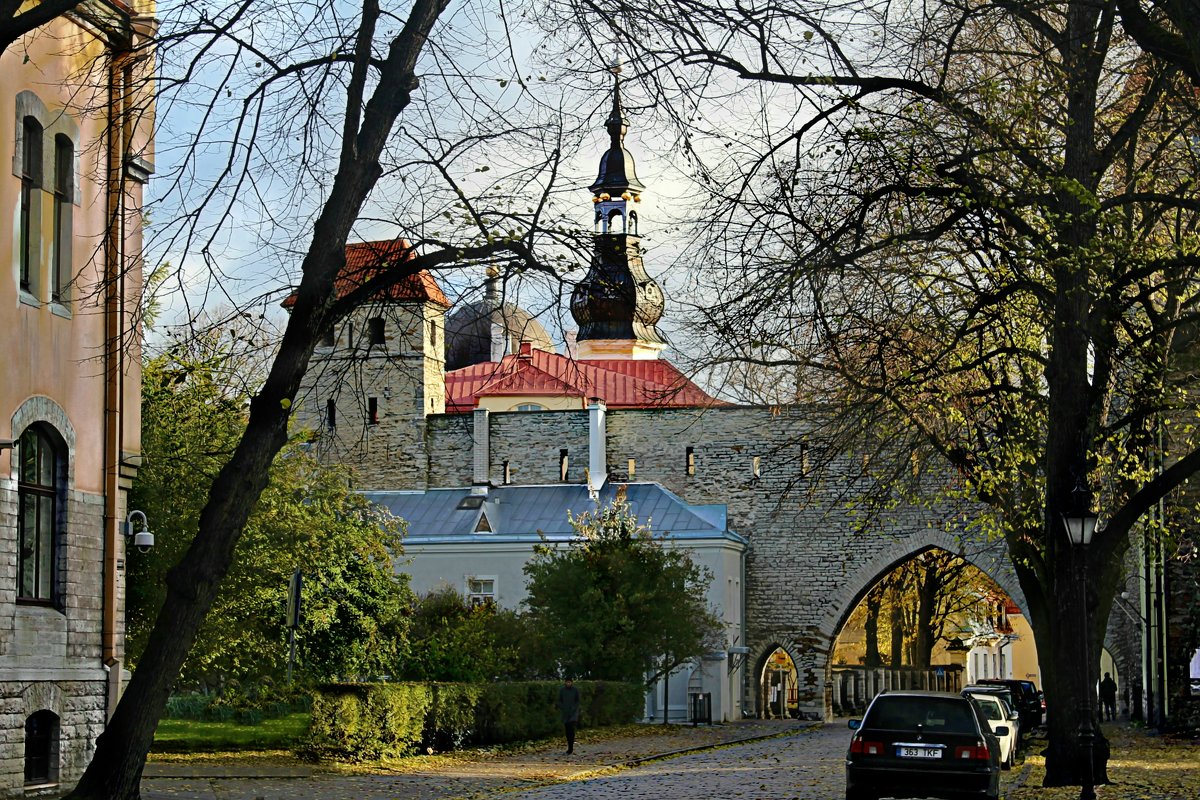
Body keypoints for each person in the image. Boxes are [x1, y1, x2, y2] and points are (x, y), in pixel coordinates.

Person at [557, 677, 581, 754]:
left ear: (572, 682)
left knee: (571, 729)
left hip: (573, 713)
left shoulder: (575, 690)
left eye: (569, 682)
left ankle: (571, 747)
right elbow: (559, 700)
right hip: (565, 713)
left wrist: (574, 709)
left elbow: (577, 701)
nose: (568, 684)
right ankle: (569, 746)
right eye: (567, 682)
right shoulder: (562, 690)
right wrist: (562, 707)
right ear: (565, 682)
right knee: (567, 730)